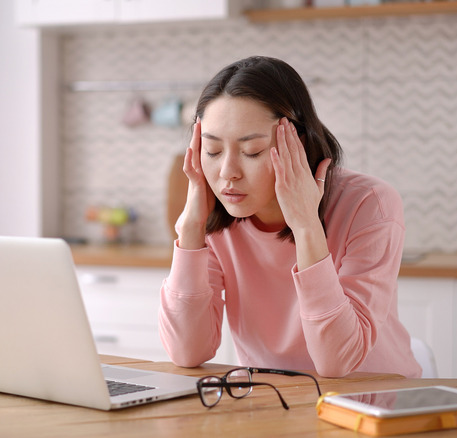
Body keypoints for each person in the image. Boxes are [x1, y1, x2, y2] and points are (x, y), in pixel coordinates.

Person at [158, 56, 421, 378]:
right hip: (271, 402)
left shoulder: (369, 203)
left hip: (371, 401)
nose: (227, 173)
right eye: (212, 151)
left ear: (298, 144)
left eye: (251, 151)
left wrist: (307, 225)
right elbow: (187, 352)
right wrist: (191, 230)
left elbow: (337, 362)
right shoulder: (216, 215)